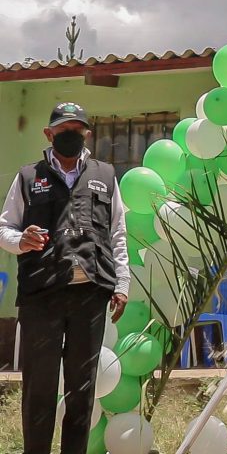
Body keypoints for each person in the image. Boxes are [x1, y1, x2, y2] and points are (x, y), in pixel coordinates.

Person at [0, 102, 130, 454]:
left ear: (87, 133)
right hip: (41, 296)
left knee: (81, 390)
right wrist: (19, 239)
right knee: (39, 388)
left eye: (77, 129)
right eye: (63, 129)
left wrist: (121, 284)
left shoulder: (105, 175)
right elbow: (4, 228)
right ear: (49, 134)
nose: (70, 135)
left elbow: (118, 233)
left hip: (89, 296)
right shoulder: (29, 177)